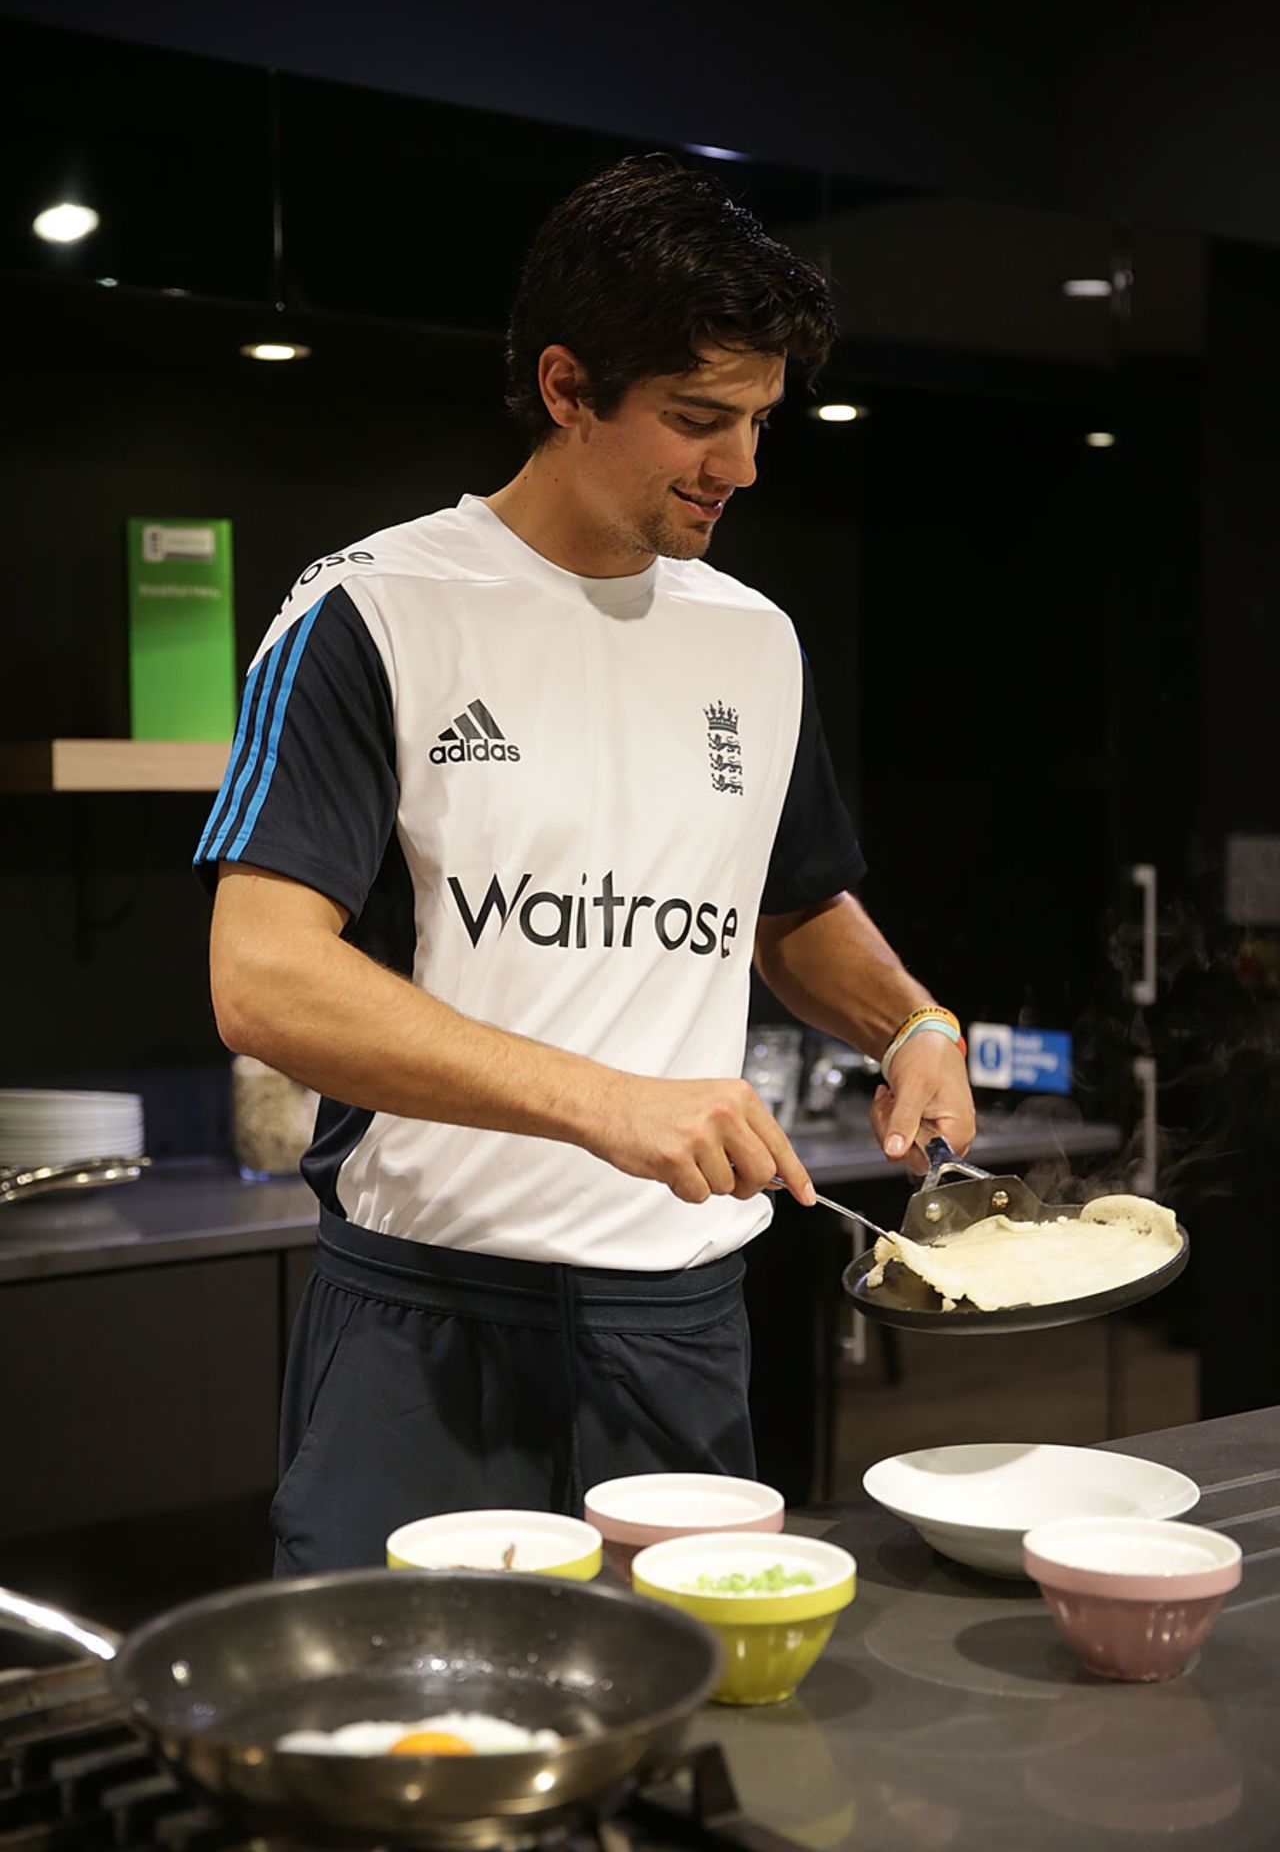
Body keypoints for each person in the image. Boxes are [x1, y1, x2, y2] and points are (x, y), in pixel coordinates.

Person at [196, 154, 975, 1574]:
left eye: (756, 420)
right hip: (427, 1330)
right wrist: (603, 1104)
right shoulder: (371, 611)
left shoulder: (754, 638)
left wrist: (911, 1020)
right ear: (566, 388)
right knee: (404, 1771)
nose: (739, 465)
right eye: (697, 420)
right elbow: (263, 983)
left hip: (679, 1334)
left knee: (685, 1767)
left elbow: (794, 905)